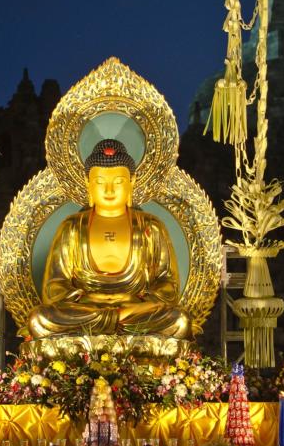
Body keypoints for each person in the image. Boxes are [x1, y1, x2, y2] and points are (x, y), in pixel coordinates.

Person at [26, 139, 191, 340]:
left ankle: (109, 329)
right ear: (88, 184)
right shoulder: (72, 227)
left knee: (179, 320)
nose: (110, 190)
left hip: (134, 311)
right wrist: (91, 304)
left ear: (132, 181)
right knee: (40, 319)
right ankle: (115, 327)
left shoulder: (151, 226)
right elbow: (53, 288)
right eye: (100, 182)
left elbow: (168, 285)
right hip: (86, 311)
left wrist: (137, 304)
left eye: (119, 182)